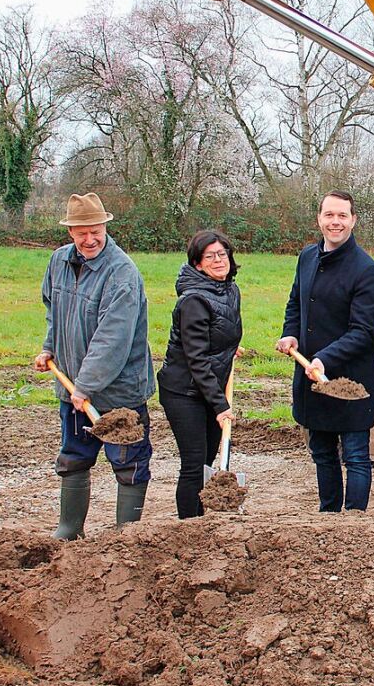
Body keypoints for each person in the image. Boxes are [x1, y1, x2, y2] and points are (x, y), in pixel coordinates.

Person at [32, 193, 156, 539]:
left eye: (95, 231)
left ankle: (125, 536)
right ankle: (69, 530)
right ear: (70, 231)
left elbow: (112, 337)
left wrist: (86, 385)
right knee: (74, 456)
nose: (89, 240)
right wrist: (49, 347)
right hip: (73, 387)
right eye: (81, 232)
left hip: (119, 392)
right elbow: (53, 310)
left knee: (128, 460)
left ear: (105, 227)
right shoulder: (59, 262)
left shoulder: (121, 272)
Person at [275, 191, 374, 512]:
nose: (335, 222)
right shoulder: (307, 258)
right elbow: (296, 302)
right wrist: (290, 334)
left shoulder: (366, 270)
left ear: (353, 220)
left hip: (351, 381)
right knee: (322, 452)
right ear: (319, 219)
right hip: (312, 378)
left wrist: (324, 359)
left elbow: (363, 332)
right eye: (329, 215)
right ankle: (328, 516)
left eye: (342, 216)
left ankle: (353, 522)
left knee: (355, 457)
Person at [158, 230, 243, 519]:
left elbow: (217, 333)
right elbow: (196, 358)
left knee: (207, 461)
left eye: (223, 254)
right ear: (197, 263)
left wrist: (229, 348)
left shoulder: (229, 289)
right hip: (184, 391)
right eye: (210, 256)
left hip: (209, 386)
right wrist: (220, 406)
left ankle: (201, 522)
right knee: (194, 464)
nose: (219, 260)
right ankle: (188, 528)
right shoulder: (193, 300)